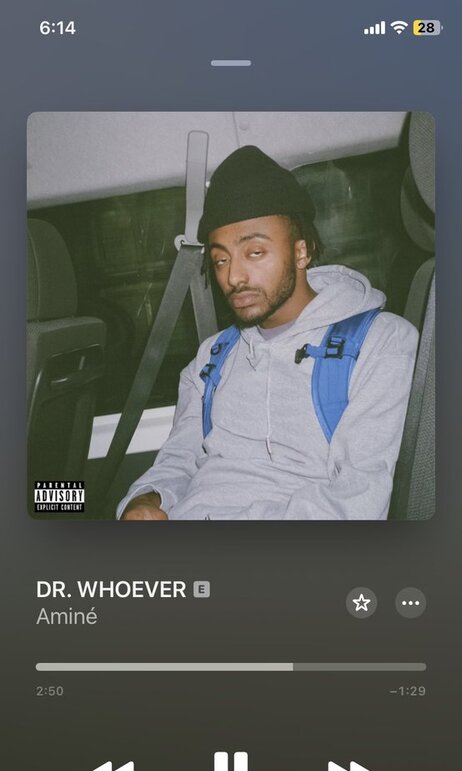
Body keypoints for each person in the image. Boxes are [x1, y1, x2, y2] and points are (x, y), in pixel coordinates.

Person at [118, 146, 418, 521]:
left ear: (301, 252)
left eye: (255, 252)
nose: (233, 277)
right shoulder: (213, 356)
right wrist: (149, 499)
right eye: (220, 259)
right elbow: (180, 457)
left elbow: (357, 497)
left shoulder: (380, 343)